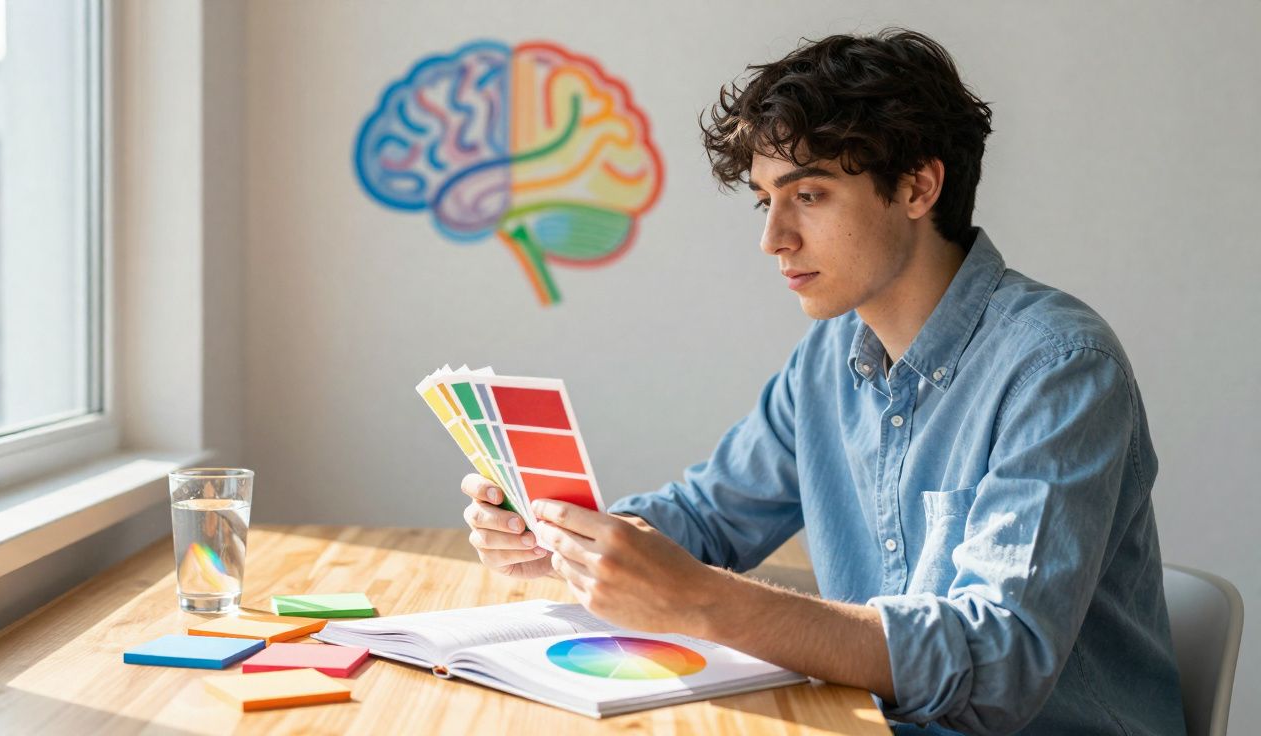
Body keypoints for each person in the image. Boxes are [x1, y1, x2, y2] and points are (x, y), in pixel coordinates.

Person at [458, 28, 1185, 735]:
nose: (773, 238)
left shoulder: (1059, 367)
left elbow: (996, 663)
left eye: (808, 195)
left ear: (917, 187)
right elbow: (708, 521)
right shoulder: (827, 360)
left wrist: (704, 601)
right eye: (764, 199)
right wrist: (566, 534)